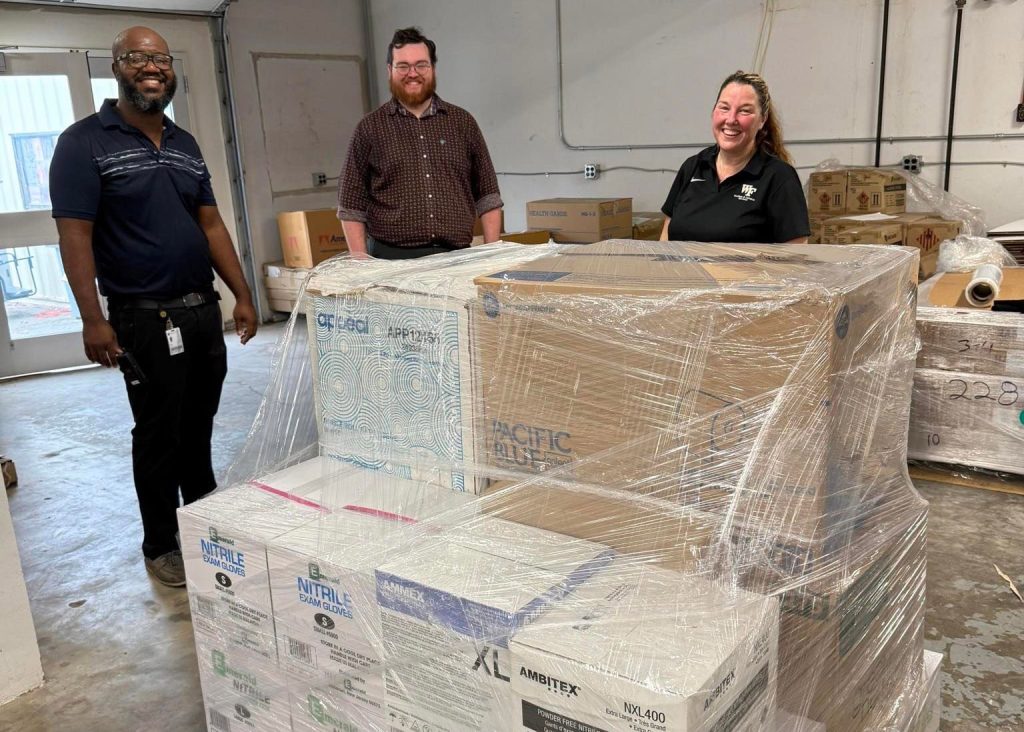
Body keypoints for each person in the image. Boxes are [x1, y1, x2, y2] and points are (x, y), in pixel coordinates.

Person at [49, 26, 257, 588]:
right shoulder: (84, 143)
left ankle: (204, 519)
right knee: (159, 433)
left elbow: (210, 224)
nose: (153, 67)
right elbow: (74, 235)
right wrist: (93, 318)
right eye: (139, 57)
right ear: (116, 66)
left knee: (199, 424)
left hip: (199, 309)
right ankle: (162, 543)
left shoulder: (185, 143)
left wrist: (242, 294)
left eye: (161, 59)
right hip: (143, 318)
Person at [337, 27, 503, 259]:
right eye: (402, 66)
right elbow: (351, 204)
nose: (412, 73)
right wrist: (360, 263)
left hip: (455, 260)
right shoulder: (370, 128)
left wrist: (492, 253)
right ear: (389, 70)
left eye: (421, 65)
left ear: (432, 68)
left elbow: (488, 195)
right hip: (390, 262)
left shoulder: (462, 122)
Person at [660, 70, 809, 244]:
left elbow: (796, 253)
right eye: (724, 108)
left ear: (762, 120)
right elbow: (667, 235)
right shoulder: (693, 166)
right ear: (713, 111)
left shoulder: (778, 177)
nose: (731, 119)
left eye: (744, 111)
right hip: (682, 272)